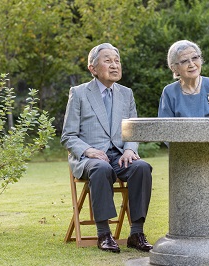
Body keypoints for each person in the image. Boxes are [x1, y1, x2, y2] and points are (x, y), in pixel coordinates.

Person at [61, 43, 153, 253]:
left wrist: (130, 149)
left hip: (119, 156)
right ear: (93, 68)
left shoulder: (126, 94)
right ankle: (103, 233)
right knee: (101, 169)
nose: (114, 65)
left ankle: (136, 233)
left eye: (117, 61)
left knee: (142, 168)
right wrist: (88, 150)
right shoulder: (79, 93)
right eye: (108, 60)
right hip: (90, 158)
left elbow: (133, 130)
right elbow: (68, 136)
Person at [158, 40, 209, 173]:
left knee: (205, 168)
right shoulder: (169, 92)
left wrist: (207, 150)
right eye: (184, 61)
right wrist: (188, 152)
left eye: (195, 58)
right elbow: (164, 130)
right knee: (188, 168)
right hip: (184, 156)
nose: (192, 64)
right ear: (174, 68)